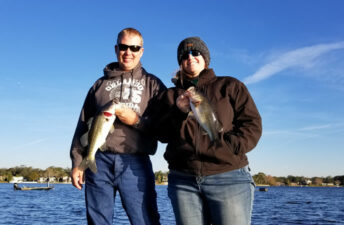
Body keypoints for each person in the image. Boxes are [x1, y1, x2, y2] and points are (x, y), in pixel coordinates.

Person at [143, 37, 262, 225]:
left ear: (206, 58)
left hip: (229, 177)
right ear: (180, 63)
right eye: (184, 55)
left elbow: (252, 124)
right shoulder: (170, 96)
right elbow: (161, 134)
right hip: (183, 181)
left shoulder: (230, 86)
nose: (190, 57)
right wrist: (178, 111)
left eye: (195, 53)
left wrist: (230, 146)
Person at [69, 27, 165, 225]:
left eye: (134, 47)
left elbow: (164, 128)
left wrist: (136, 121)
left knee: (145, 220)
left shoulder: (153, 85)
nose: (128, 52)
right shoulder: (98, 85)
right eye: (123, 47)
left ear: (142, 51)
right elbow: (83, 125)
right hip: (99, 161)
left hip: (135, 163)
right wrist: (77, 161)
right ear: (116, 49)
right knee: (97, 221)